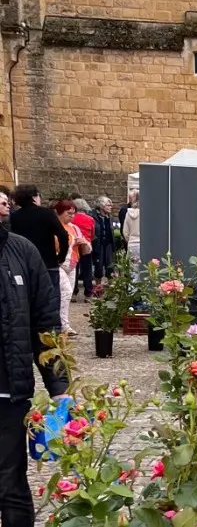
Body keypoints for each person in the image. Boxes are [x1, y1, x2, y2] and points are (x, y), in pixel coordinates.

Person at [0, 217, 68, 526]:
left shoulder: (21, 251)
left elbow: (45, 323)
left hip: (9, 393)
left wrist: (58, 386)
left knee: (10, 482)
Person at [9, 185, 68, 314]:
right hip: (48, 262)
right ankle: (51, 329)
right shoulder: (46, 213)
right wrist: (61, 256)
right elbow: (63, 235)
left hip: (25, 264)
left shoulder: (15, 217)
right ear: (34, 197)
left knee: (29, 298)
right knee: (52, 298)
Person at [54, 199, 86, 336]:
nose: (72, 216)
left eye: (73, 213)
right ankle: (63, 325)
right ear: (60, 212)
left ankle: (64, 324)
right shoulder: (55, 226)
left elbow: (86, 248)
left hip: (72, 263)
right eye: (69, 213)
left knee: (67, 293)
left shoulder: (75, 228)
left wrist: (83, 242)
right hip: (59, 263)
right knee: (66, 292)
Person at [71, 198, 95, 300]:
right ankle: (88, 293)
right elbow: (93, 234)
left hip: (74, 246)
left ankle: (74, 292)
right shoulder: (90, 219)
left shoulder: (72, 218)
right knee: (87, 270)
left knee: (74, 270)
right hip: (86, 245)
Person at [90, 197, 115, 282]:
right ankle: (98, 288)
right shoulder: (93, 217)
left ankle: (112, 288)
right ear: (102, 206)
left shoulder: (109, 217)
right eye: (108, 205)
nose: (110, 207)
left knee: (110, 267)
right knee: (98, 267)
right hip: (98, 245)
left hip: (108, 245)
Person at [122, 194, 141, 261]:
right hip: (143, 245)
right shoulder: (145, 213)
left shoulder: (128, 213)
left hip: (132, 244)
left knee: (133, 269)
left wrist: (130, 239)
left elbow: (125, 232)